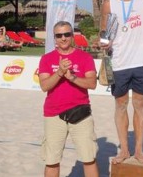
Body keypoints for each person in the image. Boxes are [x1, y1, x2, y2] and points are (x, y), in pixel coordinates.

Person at [100, 0, 143, 164]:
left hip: (141, 61)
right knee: (121, 106)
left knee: (139, 106)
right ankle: (124, 149)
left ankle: (139, 150)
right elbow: (105, 31)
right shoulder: (109, 2)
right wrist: (103, 41)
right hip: (119, 62)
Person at [38, 21, 98, 177]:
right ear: (54, 38)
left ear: (73, 36)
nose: (63, 38)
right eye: (59, 35)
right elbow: (44, 86)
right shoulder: (46, 59)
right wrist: (59, 72)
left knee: (89, 158)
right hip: (53, 114)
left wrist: (71, 77)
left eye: (67, 34)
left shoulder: (84, 57)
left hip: (80, 114)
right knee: (51, 160)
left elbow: (92, 84)